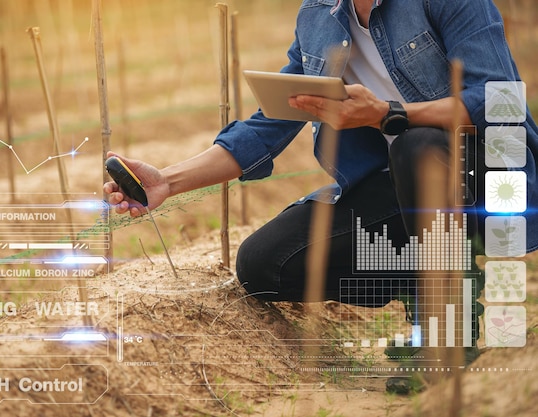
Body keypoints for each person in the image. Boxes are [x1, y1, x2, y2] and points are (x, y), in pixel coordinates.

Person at [105, 0, 538, 382]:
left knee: (415, 143)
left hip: (486, 174)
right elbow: (267, 125)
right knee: (265, 266)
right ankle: (427, 281)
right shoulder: (319, 15)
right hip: (399, 184)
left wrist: (390, 113)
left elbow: (500, 100)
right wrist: (167, 181)